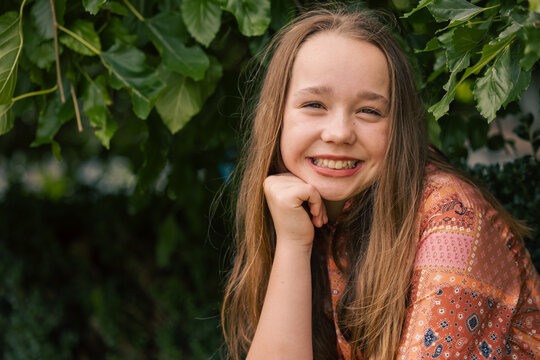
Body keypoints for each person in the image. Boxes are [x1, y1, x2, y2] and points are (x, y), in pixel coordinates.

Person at [221, 8, 540, 360]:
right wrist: (294, 244)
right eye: (314, 104)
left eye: (369, 111)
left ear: (398, 127)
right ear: (276, 118)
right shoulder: (310, 214)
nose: (339, 133)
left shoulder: (454, 223)